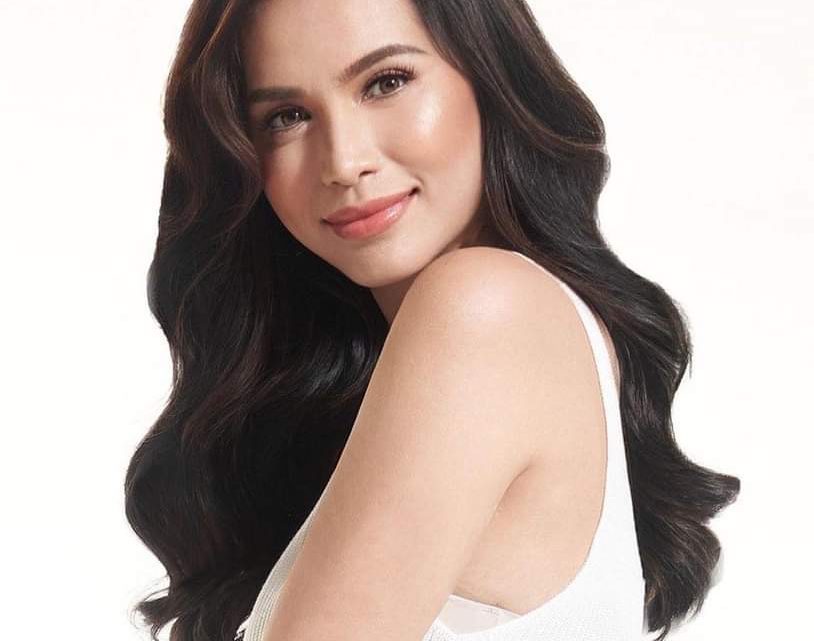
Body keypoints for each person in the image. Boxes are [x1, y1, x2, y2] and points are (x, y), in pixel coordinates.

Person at [124, 1, 740, 640]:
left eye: (386, 82)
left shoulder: (486, 307)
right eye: (287, 117)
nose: (344, 162)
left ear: (490, 74)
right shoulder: (488, 337)